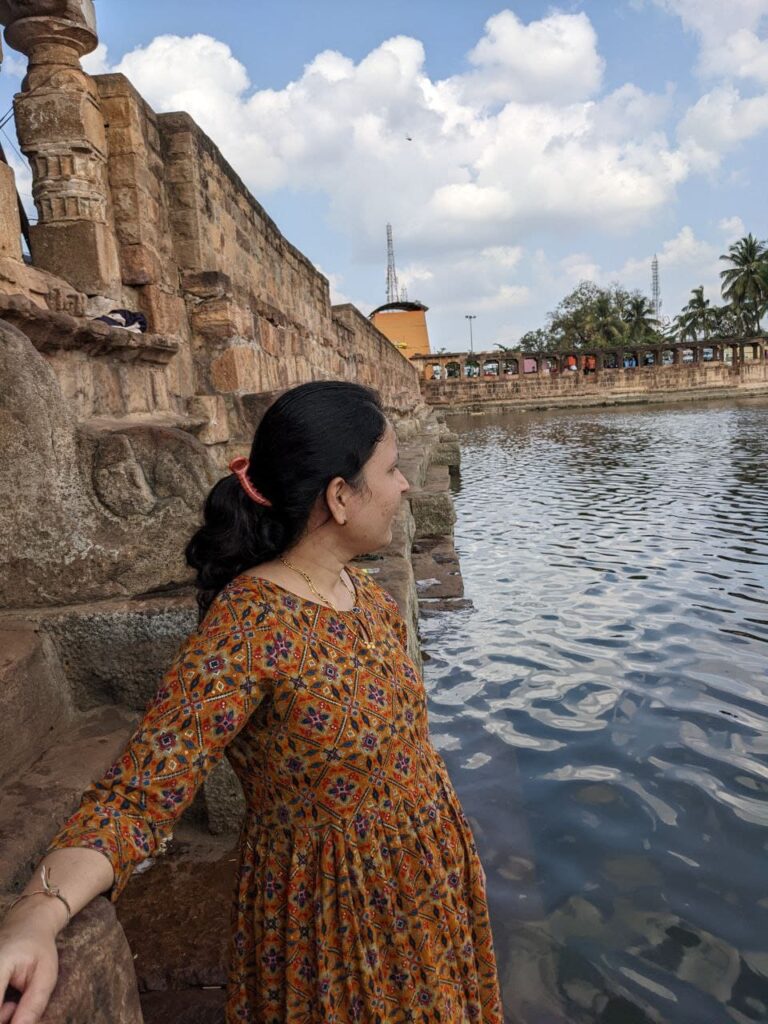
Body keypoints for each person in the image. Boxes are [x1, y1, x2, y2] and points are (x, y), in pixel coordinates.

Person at [0, 381, 503, 1024]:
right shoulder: (250, 625)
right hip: (337, 923)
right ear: (339, 496)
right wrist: (37, 912)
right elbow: (141, 792)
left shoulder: (365, 594)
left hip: (427, 882)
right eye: (391, 468)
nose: (405, 485)